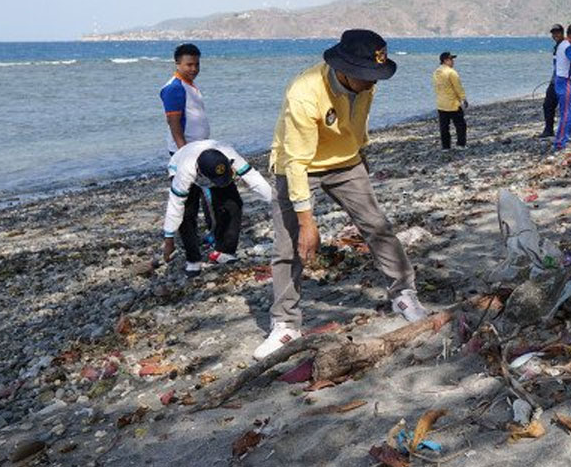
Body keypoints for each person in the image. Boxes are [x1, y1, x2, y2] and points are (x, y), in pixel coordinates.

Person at [257, 29, 426, 360]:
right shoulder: (304, 93)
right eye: (368, 75)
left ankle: (403, 293)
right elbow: (296, 162)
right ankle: (286, 324)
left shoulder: (365, 84)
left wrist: (361, 154)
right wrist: (308, 222)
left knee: (378, 226)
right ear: (345, 69)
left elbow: (357, 124)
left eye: (377, 74)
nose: (374, 82)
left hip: (346, 161)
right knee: (289, 245)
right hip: (296, 165)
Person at [162, 140, 273, 276]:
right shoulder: (184, 174)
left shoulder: (230, 154)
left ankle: (224, 251)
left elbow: (254, 179)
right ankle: (193, 260)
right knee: (187, 214)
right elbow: (175, 207)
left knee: (233, 204)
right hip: (180, 164)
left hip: (214, 170)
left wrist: (277, 203)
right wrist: (169, 239)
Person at [160, 43, 210, 154]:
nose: (194, 69)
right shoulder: (174, 88)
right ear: (178, 64)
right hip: (186, 150)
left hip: (197, 146)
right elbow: (174, 123)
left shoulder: (189, 84)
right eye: (189, 65)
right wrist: (184, 152)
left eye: (197, 64)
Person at [433, 51, 468, 149]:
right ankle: (461, 144)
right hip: (453, 104)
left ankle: (446, 147)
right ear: (445, 60)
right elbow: (458, 87)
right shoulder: (451, 72)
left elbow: (436, 87)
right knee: (460, 125)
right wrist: (463, 99)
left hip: (441, 103)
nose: (453, 61)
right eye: (451, 59)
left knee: (444, 127)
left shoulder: (436, 72)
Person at [542, 24, 565, 138]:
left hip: (563, 81)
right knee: (548, 105)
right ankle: (548, 130)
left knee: (564, 106)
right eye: (553, 33)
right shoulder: (556, 47)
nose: (555, 35)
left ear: (562, 33)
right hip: (554, 81)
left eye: (557, 32)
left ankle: (567, 129)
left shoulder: (566, 46)